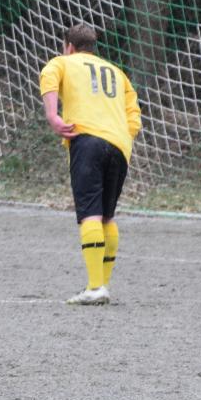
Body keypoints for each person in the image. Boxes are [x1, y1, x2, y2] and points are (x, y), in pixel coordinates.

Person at [39, 23, 142, 305]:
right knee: (107, 216)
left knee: (90, 214)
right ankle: (102, 284)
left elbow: (48, 76)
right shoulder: (118, 73)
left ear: (69, 47)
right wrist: (123, 135)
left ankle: (95, 287)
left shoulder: (63, 62)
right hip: (119, 145)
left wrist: (53, 116)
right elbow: (134, 114)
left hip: (87, 140)